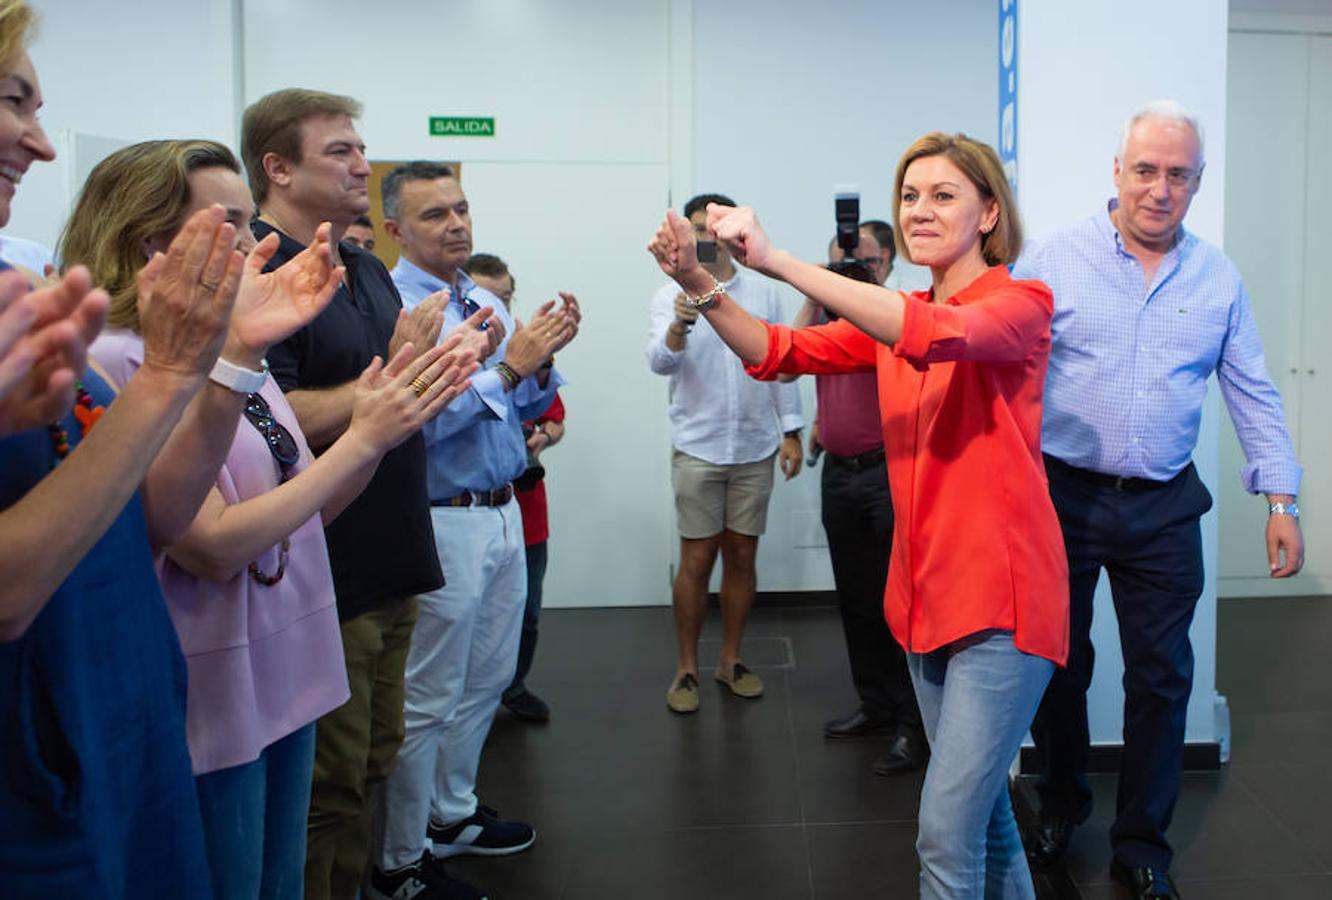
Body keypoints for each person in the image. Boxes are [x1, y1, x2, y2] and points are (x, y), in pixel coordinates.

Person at [648, 132, 1069, 899]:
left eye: (944, 195)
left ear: (986, 214)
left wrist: (774, 259)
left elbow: (939, 336)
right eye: (910, 196)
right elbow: (773, 349)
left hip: (1004, 608)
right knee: (985, 818)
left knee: (945, 832)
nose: (921, 210)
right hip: (925, 598)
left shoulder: (1020, 304)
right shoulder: (896, 313)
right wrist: (699, 284)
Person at [61, 137, 477, 900]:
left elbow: (304, 508)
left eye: (252, 222)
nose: (257, 243)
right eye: (231, 223)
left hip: (286, 658)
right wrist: (364, 435)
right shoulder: (120, 362)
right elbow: (213, 543)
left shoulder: (231, 347)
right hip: (217, 677)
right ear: (152, 239)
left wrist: (380, 429)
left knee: (283, 870)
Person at [0, 5, 273, 894]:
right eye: (13, 102)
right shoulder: (118, 350)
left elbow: (151, 516)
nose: (39, 145)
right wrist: (170, 372)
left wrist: (216, 363)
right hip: (46, 762)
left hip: (117, 721)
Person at [1016, 100, 1304, 900]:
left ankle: (1142, 845)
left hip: (1164, 509)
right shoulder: (1052, 260)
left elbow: (1252, 391)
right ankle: (1062, 806)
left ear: (1197, 182)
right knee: (1059, 669)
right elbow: (1001, 369)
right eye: (1145, 170)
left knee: (1162, 680)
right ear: (1117, 172)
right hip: (1063, 498)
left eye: (1178, 175)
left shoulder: (1217, 278)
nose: (1159, 189)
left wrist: (1282, 501)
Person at [242, 89, 491, 900]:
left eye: (360, 148)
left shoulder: (364, 267)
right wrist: (379, 393)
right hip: (325, 566)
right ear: (277, 169)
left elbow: (380, 388)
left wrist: (435, 371)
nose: (361, 164)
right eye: (341, 152)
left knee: (377, 759)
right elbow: (265, 414)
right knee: (328, 786)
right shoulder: (263, 268)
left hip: (392, 554)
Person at [370, 160, 578, 900]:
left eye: (460, 209)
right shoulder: (393, 304)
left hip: (501, 510)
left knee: (488, 677)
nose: (456, 224)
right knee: (427, 696)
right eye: (434, 215)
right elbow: (414, 413)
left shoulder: (479, 299)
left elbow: (526, 402)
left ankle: (450, 813)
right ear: (395, 228)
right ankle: (399, 860)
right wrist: (511, 371)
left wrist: (542, 359)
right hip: (441, 518)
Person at [647, 192, 804, 715]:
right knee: (696, 558)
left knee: (742, 555)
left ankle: (730, 660)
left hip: (756, 444)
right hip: (698, 447)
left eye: (715, 228)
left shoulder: (762, 292)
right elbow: (660, 364)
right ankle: (686, 667)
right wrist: (679, 321)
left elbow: (782, 363)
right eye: (696, 229)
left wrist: (792, 430)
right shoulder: (668, 293)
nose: (706, 238)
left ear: (733, 233)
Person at [790, 223, 924, 777]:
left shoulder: (896, 311)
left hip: (887, 474)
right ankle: (876, 704)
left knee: (903, 607)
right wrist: (815, 287)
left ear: (888, 261)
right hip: (839, 474)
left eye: (864, 260)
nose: (851, 268)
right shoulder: (827, 313)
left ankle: (914, 728)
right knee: (856, 599)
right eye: (840, 261)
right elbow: (790, 350)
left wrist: (862, 287)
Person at [468, 251, 565, 723]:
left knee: (524, 612)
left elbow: (549, 414)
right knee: (467, 624)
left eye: (506, 297)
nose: (500, 308)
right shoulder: (455, 354)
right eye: (488, 299)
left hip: (523, 504)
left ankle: (513, 685)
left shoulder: (523, 354)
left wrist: (541, 434)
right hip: (464, 512)